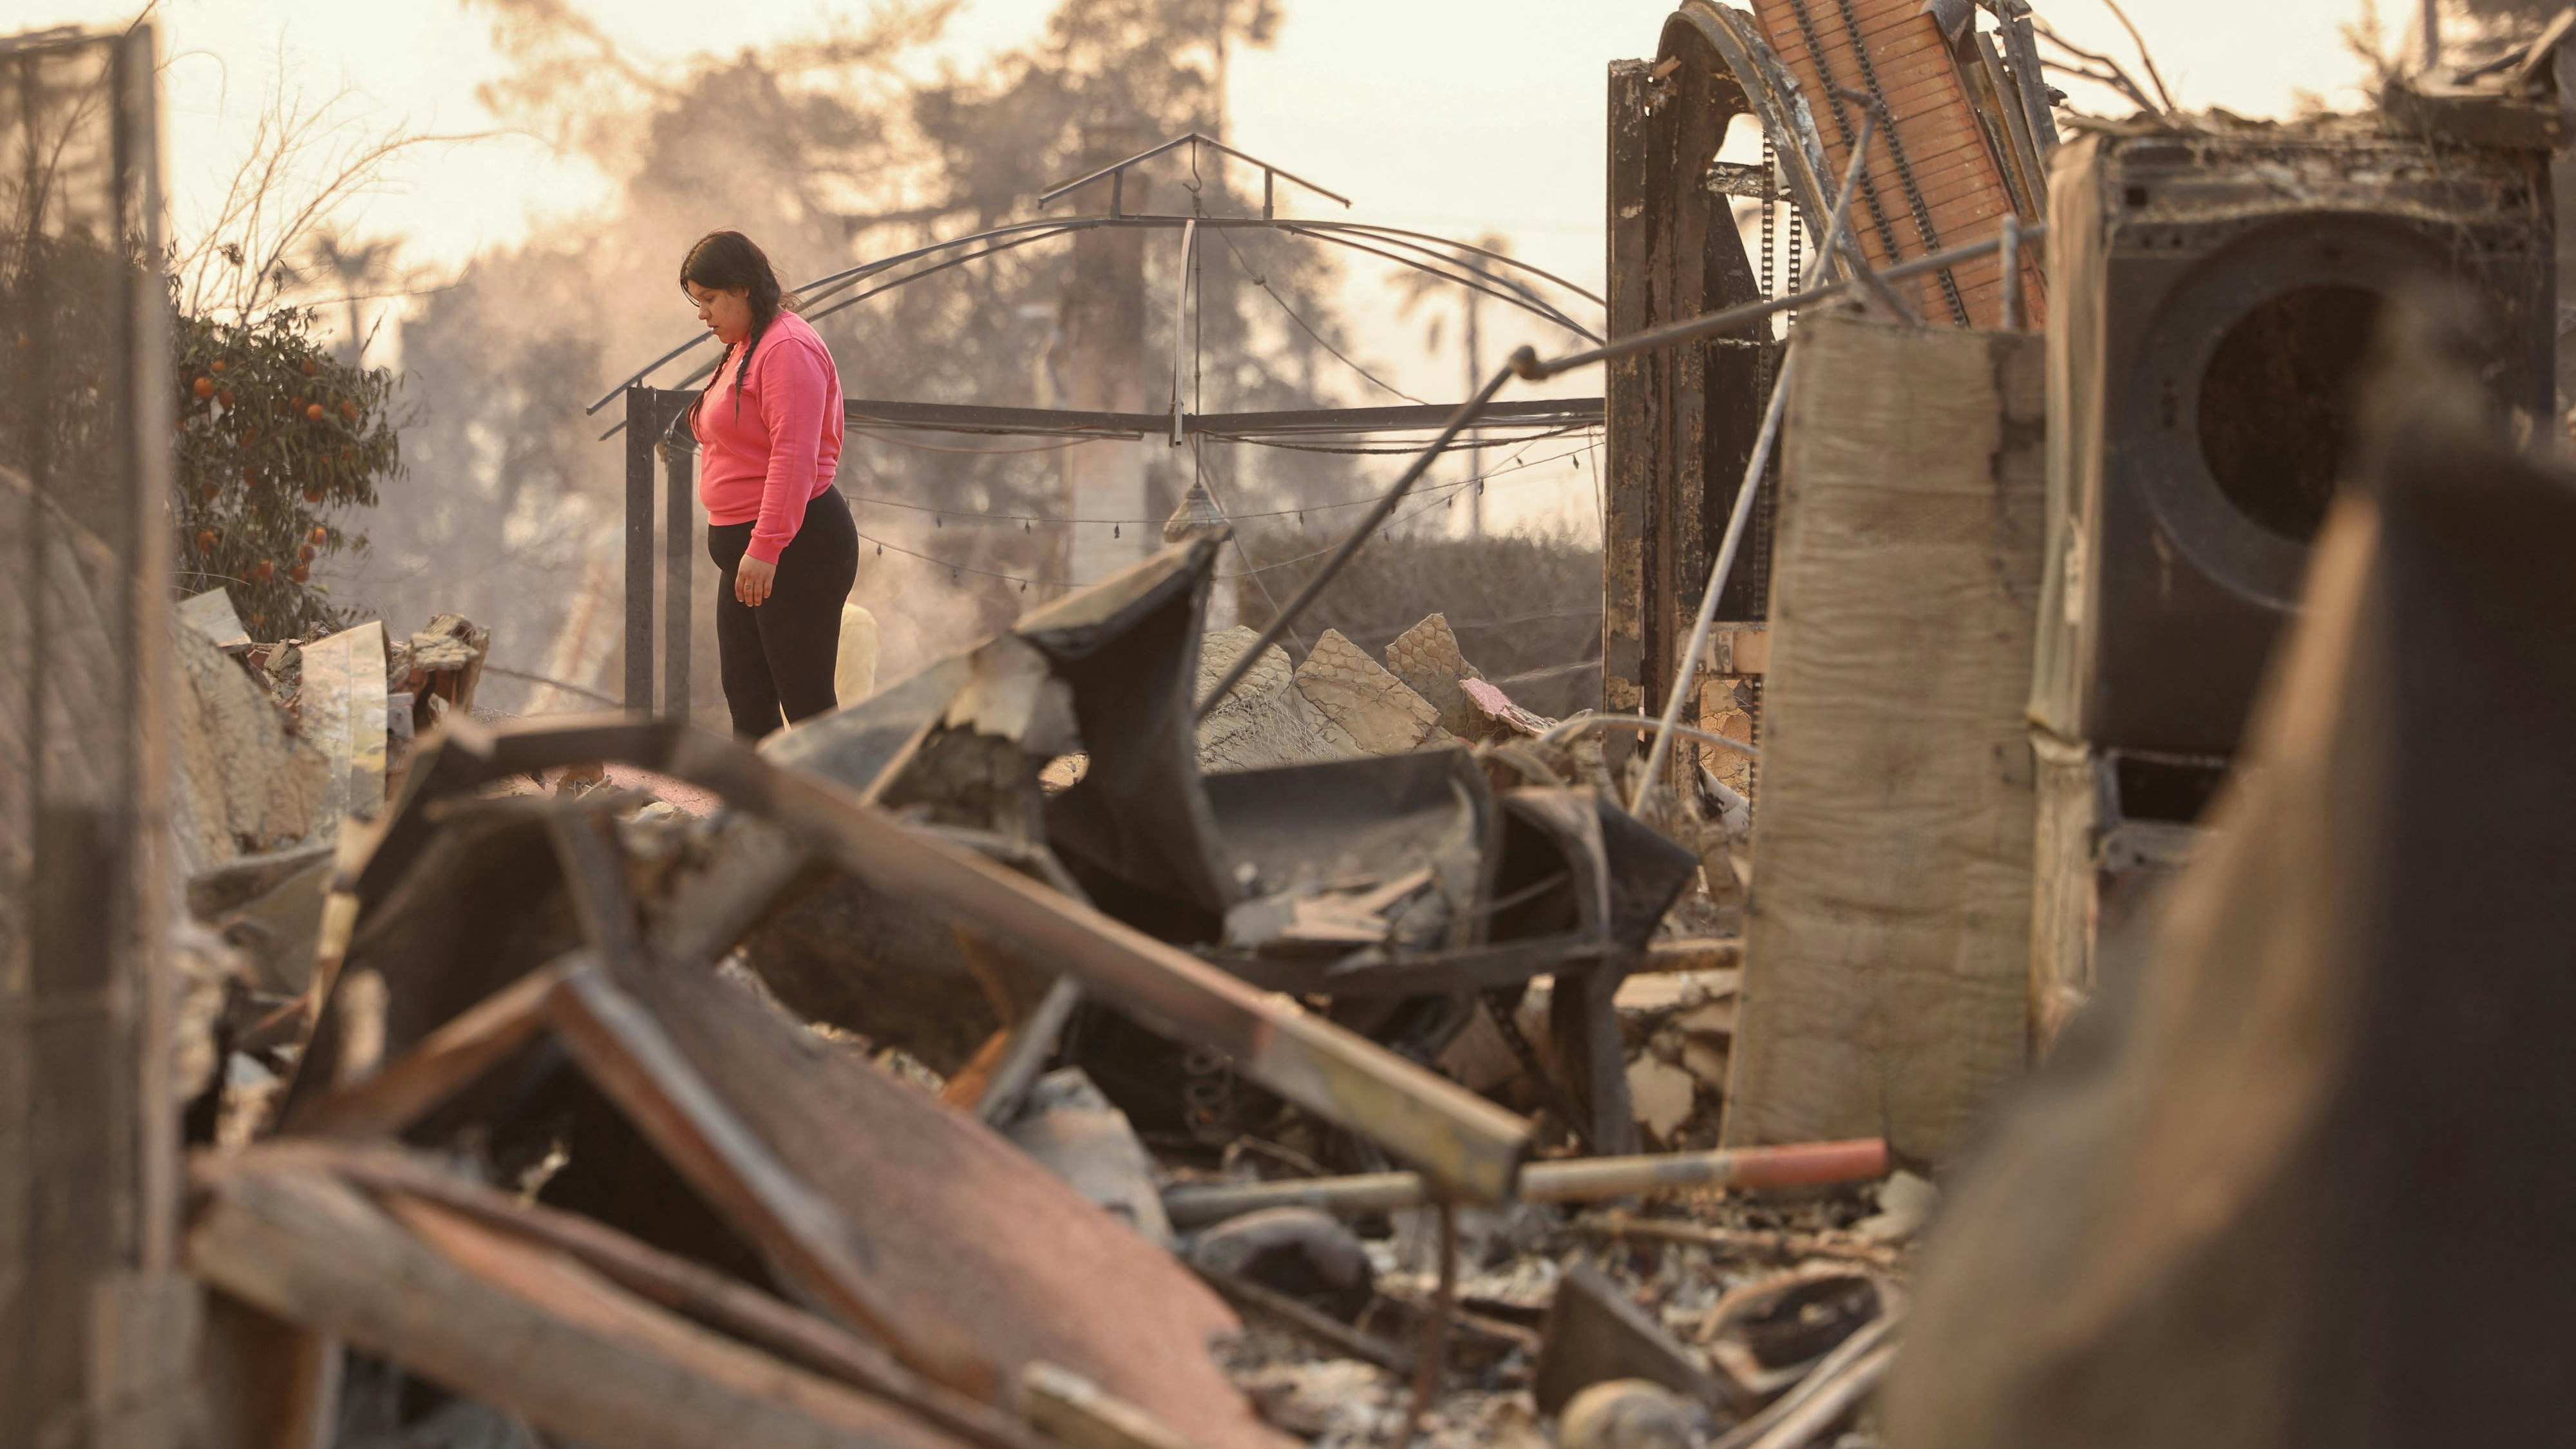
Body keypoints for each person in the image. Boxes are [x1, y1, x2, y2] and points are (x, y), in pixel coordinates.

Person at [682, 229, 858, 740]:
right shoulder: (743, 347)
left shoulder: (786, 347)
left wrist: (765, 546)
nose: (703, 314)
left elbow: (794, 456)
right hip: (753, 554)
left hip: (793, 548)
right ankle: (753, 820)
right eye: (698, 301)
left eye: (710, 299)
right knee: (748, 704)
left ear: (742, 288)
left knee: (807, 708)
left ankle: (837, 819)